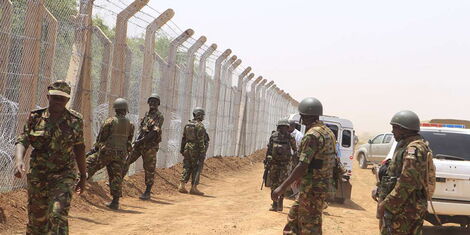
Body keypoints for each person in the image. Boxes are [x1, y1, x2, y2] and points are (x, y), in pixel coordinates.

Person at [14, 80, 86, 234]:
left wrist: (83, 175)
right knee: (37, 221)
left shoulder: (75, 121)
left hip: (64, 175)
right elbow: (23, 139)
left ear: (67, 100)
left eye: (62, 98)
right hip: (38, 176)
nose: (58, 101)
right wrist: (19, 161)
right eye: (55, 97)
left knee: (57, 215)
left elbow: (79, 147)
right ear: (48, 97)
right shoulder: (35, 117)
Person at [272, 97, 337, 234]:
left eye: (302, 116)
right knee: (293, 220)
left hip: (312, 189)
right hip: (318, 186)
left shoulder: (312, 135)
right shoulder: (329, 132)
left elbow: (303, 165)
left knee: (310, 226)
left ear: (305, 117)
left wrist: (282, 187)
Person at [376, 110, 433, 235]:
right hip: (404, 208)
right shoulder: (407, 146)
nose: (392, 131)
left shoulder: (413, 149)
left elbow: (407, 182)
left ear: (404, 129)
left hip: (405, 210)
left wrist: (387, 204)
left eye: (395, 128)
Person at [86, 98, 134, 210]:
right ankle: (115, 202)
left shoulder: (110, 121)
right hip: (121, 154)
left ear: (115, 109)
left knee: (89, 164)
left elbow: (101, 138)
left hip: (107, 152)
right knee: (116, 176)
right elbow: (129, 140)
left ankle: (79, 183)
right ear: (126, 110)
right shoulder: (130, 124)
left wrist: (94, 150)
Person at [123, 93, 164, 200]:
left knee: (149, 169)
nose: (152, 103)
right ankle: (117, 181)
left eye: (155, 101)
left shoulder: (159, 116)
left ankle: (147, 191)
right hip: (140, 145)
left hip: (150, 147)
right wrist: (138, 140)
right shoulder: (147, 115)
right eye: (151, 101)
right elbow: (143, 130)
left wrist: (140, 140)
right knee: (127, 161)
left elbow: (154, 133)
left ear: (158, 104)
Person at [265, 118, 297, 211]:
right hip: (274, 164)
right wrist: (267, 160)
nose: (283, 129)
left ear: (287, 128)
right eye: (281, 127)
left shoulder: (290, 137)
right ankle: (274, 204)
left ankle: (280, 204)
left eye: (285, 127)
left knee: (283, 183)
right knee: (274, 183)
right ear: (279, 127)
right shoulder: (273, 136)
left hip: (285, 164)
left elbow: (295, 150)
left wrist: (293, 162)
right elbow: (269, 149)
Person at [178, 107, 209, 195]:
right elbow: (201, 141)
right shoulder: (200, 126)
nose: (203, 117)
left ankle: (182, 185)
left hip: (187, 147)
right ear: (199, 115)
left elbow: (184, 138)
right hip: (196, 149)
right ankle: (194, 188)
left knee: (187, 166)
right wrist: (202, 152)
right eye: (202, 115)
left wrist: (182, 149)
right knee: (197, 167)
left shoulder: (188, 124)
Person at [288, 119, 303, 197]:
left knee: (295, 179)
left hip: (295, 159)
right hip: (287, 160)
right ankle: (297, 195)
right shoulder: (286, 133)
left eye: (288, 126)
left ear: (292, 126)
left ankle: (298, 196)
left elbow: (301, 148)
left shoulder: (299, 135)